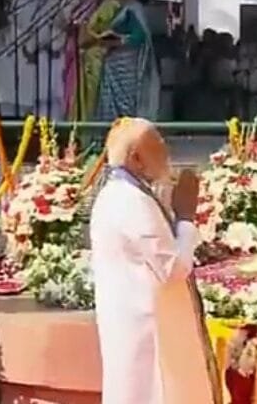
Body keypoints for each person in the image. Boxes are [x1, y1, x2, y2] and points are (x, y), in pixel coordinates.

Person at [90, 118, 221, 404]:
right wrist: (186, 217)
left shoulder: (123, 195)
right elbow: (173, 269)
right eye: (158, 145)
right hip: (146, 329)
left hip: (136, 323)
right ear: (136, 157)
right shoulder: (130, 201)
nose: (166, 151)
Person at [95, 0, 160, 120]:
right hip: (112, 64)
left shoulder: (134, 9)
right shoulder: (115, 8)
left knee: (126, 105)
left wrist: (119, 40)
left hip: (126, 66)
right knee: (109, 106)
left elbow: (140, 36)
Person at [75, 0, 121, 120]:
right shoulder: (96, 3)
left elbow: (96, 35)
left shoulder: (112, 6)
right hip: (89, 62)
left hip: (99, 62)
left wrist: (85, 33)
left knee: (97, 108)